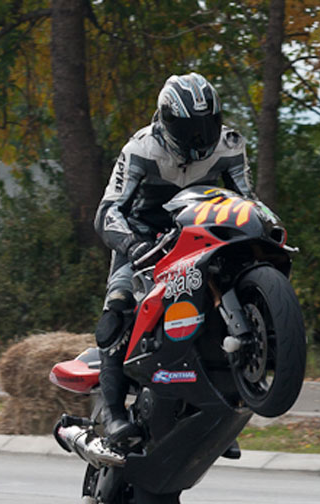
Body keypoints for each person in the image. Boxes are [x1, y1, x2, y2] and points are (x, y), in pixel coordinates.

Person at [93, 72, 254, 442]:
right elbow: (107, 211)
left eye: (206, 126)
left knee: (230, 291)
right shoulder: (140, 150)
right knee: (117, 308)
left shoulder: (229, 144)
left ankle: (222, 411)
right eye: (188, 129)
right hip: (144, 239)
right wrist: (132, 246)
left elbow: (248, 200)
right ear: (166, 122)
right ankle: (113, 415)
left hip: (201, 232)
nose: (200, 139)